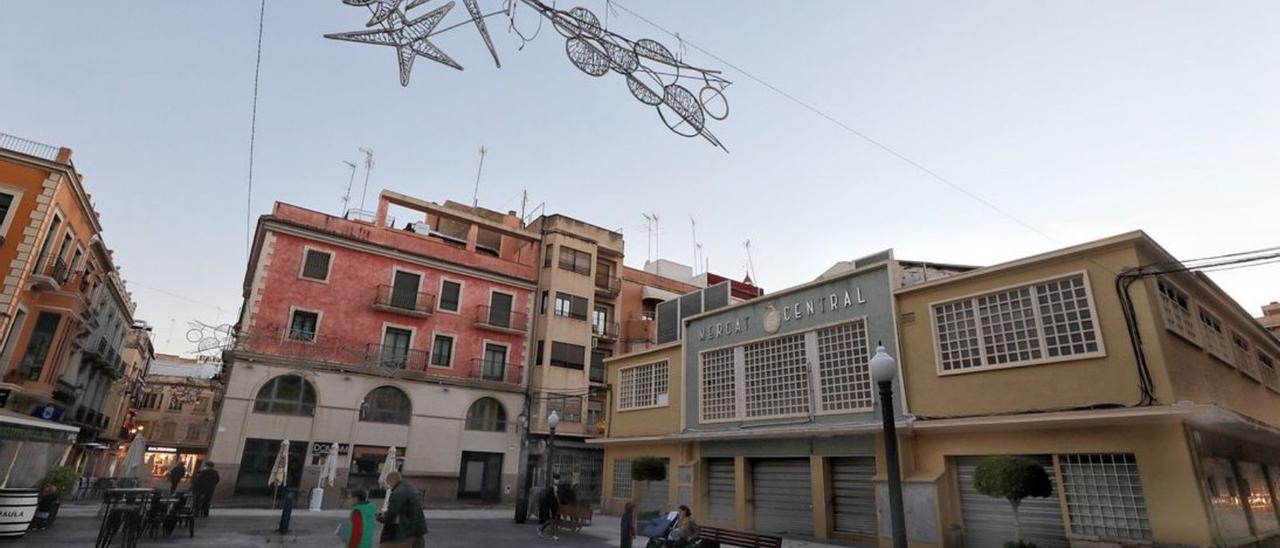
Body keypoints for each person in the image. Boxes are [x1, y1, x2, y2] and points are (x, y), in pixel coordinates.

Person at [378, 471, 427, 548]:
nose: (389, 487)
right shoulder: (409, 487)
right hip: (417, 529)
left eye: (388, 484)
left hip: (405, 531)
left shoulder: (398, 492)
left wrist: (381, 517)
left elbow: (392, 514)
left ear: (392, 480)